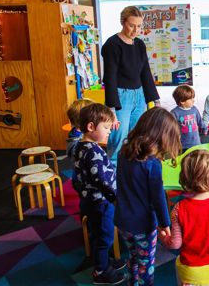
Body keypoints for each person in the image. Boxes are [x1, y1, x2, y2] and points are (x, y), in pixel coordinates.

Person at [114, 107, 181, 285]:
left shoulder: (124, 152)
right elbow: (158, 198)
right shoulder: (152, 164)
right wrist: (165, 223)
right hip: (142, 225)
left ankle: (132, 282)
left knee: (133, 257)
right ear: (162, 136)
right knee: (146, 266)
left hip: (122, 220)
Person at [160, 149, 209, 286]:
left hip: (190, 273)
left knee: (178, 263)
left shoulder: (178, 208)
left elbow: (175, 244)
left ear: (185, 177)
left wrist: (164, 237)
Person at [71, 103, 126, 285]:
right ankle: (101, 271)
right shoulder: (93, 152)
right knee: (105, 236)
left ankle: (104, 261)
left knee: (98, 233)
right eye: (106, 128)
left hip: (88, 200)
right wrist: (116, 196)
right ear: (91, 127)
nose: (109, 132)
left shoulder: (81, 146)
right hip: (101, 202)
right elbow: (103, 181)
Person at [101, 6, 160, 166]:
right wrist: (112, 108)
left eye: (139, 26)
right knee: (118, 137)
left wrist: (154, 99)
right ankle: (113, 175)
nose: (136, 30)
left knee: (138, 136)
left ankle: (133, 170)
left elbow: (145, 72)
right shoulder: (112, 45)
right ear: (123, 22)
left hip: (139, 95)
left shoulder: (140, 44)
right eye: (132, 25)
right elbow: (110, 77)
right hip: (121, 96)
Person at [170, 84, 205, 151]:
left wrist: (204, 128)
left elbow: (200, 121)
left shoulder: (194, 109)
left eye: (193, 98)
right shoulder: (174, 113)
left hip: (196, 143)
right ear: (182, 101)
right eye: (190, 99)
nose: (193, 100)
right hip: (183, 145)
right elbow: (170, 128)